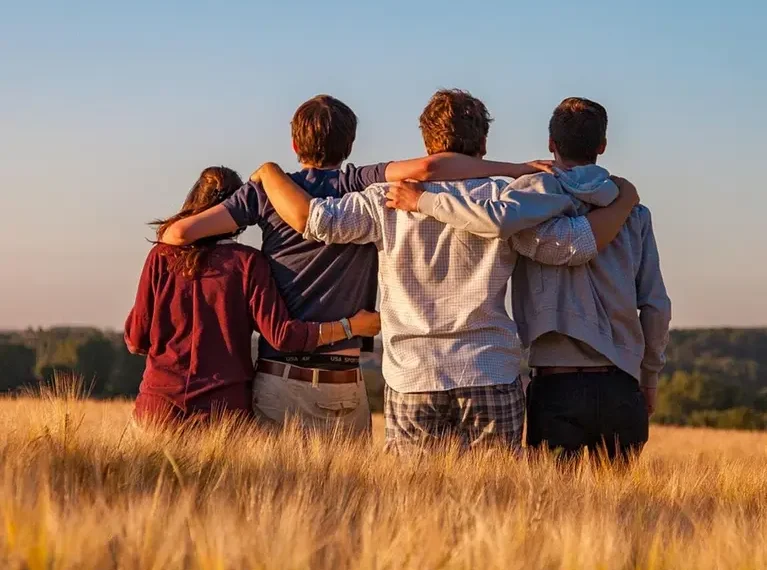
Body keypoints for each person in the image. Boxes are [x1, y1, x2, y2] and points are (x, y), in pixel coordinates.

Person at [248, 89, 639, 453]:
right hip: (489, 370)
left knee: (413, 508)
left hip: (412, 375)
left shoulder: (383, 198)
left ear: (426, 142)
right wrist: (623, 203)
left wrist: (269, 172)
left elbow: (315, 220)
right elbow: (572, 246)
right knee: (495, 506)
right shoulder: (507, 200)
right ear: (483, 144)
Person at [158, 94, 559, 434]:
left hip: (282, 375)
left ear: (295, 144)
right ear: (349, 144)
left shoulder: (266, 193)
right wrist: (516, 169)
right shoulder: (360, 183)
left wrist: (252, 218)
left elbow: (178, 236)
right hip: (348, 379)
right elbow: (429, 168)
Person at [386, 97, 671, 462]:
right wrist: (649, 377)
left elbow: (493, 220)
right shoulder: (633, 212)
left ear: (551, 144)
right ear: (602, 146)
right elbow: (655, 305)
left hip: (555, 385)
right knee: (621, 513)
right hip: (622, 384)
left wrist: (424, 201)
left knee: (551, 509)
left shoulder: (527, 201)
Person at [124, 166, 381, 425]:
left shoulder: (161, 256)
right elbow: (283, 336)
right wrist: (351, 326)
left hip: (158, 408)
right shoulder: (247, 263)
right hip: (223, 412)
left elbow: (136, 340)